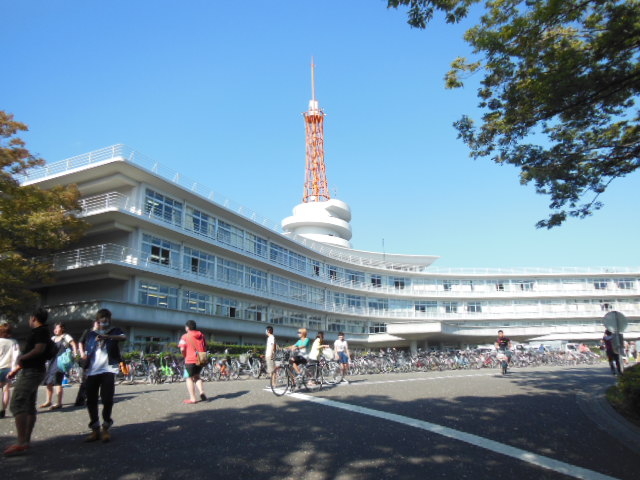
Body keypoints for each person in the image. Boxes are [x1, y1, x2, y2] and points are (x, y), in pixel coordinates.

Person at [4, 308, 51, 456]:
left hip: (32, 371)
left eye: (30, 318)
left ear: (34, 318)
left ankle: (21, 441)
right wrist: (17, 369)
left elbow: (38, 349)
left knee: (17, 403)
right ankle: (26, 441)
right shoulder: (41, 332)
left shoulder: (41, 331)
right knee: (29, 404)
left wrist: (22, 358)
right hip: (32, 370)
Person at [81, 309, 126, 442]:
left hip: (108, 369)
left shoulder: (114, 331)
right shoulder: (90, 334)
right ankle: (95, 429)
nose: (104, 320)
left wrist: (107, 337)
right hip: (92, 370)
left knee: (107, 399)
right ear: (98, 320)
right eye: (102, 318)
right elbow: (85, 348)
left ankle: (106, 427)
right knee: (91, 401)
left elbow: (123, 337)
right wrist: (83, 365)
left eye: (107, 318)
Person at [41, 322, 77, 410]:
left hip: (60, 362)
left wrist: (75, 353)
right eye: (55, 328)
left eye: (57, 328)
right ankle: (48, 401)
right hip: (51, 361)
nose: (55, 330)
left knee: (57, 381)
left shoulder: (66, 337)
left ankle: (59, 403)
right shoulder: (53, 338)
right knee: (48, 381)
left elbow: (73, 344)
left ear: (62, 329)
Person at [178, 320, 207, 404]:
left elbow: (182, 348)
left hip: (190, 359)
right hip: (201, 358)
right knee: (197, 376)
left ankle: (192, 398)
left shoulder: (184, 336)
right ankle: (201, 392)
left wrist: (184, 355)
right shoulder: (202, 335)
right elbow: (205, 347)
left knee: (189, 378)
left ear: (187, 327)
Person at [0, 322, 20, 419]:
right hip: (8, 368)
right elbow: (16, 356)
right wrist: (14, 369)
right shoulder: (14, 342)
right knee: (6, 390)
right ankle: (3, 410)